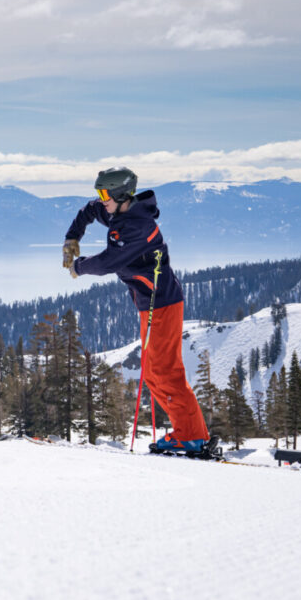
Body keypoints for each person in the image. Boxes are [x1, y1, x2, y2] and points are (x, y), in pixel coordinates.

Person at [63, 167, 210, 451]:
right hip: (150, 303)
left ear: (119, 194)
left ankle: (191, 436)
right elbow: (90, 211)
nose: (101, 199)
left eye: (105, 193)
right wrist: (73, 237)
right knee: (154, 371)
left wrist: (77, 267)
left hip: (162, 303)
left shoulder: (135, 227)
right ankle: (191, 433)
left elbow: (108, 262)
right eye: (100, 193)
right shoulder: (119, 211)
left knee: (165, 371)